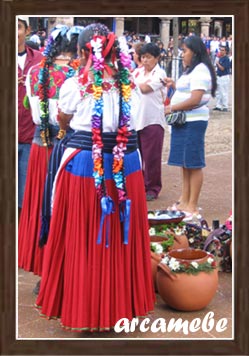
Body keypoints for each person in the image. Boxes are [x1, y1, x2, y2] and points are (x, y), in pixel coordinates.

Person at [35, 23, 155, 332]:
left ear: (81, 51)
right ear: (117, 51)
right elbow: (136, 126)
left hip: (86, 165)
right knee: (119, 235)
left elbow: (64, 115)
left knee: (85, 236)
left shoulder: (76, 84)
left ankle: (85, 310)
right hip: (126, 164)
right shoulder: (130, 85)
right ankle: (120, 308)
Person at [18, 25, 83, 281]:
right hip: (66, 146)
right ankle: (61, 270)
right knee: (61, 207)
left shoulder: (35, 72)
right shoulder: (77, 74)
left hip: (38, 144)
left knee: (38, 205)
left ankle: (42, 270)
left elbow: (30, 105)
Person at [164, 35, 217, 220]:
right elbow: (188, 92)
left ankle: (192, 205)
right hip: (184, 121)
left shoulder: (201, 70)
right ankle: (184, 200)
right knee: (185, 163)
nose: (182, 55)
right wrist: (174, 85)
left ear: (194, 52)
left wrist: (171, 107)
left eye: (185, 51)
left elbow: (195, 99)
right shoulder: (192, 70)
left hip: (193, 122)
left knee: (193, 163)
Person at [132, 42, 167, 201]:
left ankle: (152, 187)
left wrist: (132, 84)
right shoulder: (137, 72)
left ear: (157, 58)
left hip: (152, 119)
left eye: (149, 57)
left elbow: (145, 89)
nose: (145, 60)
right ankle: (139, 185)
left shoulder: (160, 74)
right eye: (143, 57)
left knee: (151, 156)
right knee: (137, 155)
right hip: (136, 119)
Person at [18, 17, 43, 217]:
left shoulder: (40, 60)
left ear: (27, 30)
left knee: (26, 193)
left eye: (18, 27)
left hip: (29, 134)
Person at [213, 45, 231, 112]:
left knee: (224, 92)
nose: (221, 51)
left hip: (224, 77)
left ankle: (225, 106)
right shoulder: (220, 58)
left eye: (222, 50)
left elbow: (223, 68)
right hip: (219, 76)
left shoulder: (226, 59)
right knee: (218, 92)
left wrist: (217, 63)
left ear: (226, 51)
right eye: (220, 50)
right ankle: (218, 105)